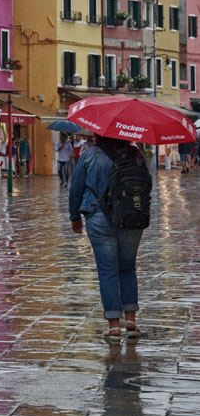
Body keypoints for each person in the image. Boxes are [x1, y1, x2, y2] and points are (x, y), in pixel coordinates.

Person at [69, 136, 149, 339]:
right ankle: (130, 320)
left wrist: (74, 217)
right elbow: (147, 184)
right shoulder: (137, 155)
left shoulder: (89, 154)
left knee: (107, 271)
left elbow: (76, 187)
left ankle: (114, 326)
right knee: (128, 268)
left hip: (99, 218)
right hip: (131, 218)